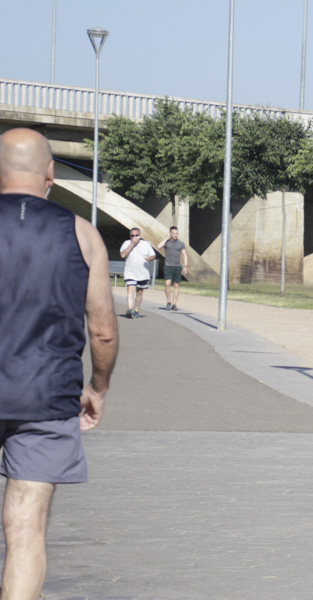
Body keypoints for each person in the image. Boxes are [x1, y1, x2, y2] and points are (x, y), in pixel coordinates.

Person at [0, 128, 118, 600]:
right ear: (50, 172)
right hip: (47, 397)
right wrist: (98, 387)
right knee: (25, 529)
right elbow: (103, 329)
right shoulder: (81, 233)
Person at [119, 227, 156, 318]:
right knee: (130, 289)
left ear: (140, 236)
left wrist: (150, 258)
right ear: (130, 236)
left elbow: (153, 255)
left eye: (136, 235)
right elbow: (123, 255)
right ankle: (130, 309)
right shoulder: (126, 243)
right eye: (132, 235)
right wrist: (132, 244)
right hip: (130, 272)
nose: (134, 237)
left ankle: (136, 309)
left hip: (142, 273)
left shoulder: (146, 244)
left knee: (139, 292)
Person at [156, 226, 188, 311]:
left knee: (176, 285)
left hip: (177, 266)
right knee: (167, 283)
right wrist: (166, 238)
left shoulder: (181, 243)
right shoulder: (167, 242)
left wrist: (185, 266)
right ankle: (168, 302)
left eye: (176, 233)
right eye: (173, 233)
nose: (175, 235)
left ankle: (174, 304)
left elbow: (184, 254)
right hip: (168, 265)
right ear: (170, 233)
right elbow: (159, 246)